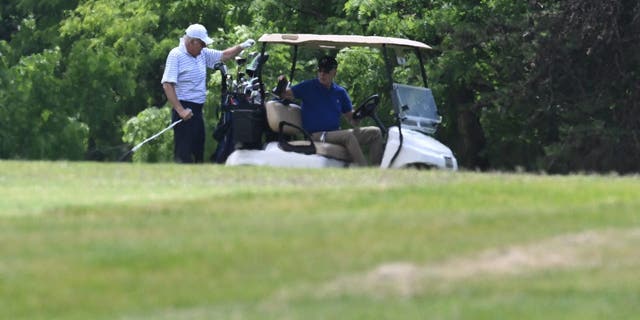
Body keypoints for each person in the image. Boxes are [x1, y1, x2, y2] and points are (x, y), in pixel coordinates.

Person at [161, 24, 255, 163]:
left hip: (197, 110)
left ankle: (198, 182)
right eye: (202, 43)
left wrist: (241, 46)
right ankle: (181, 182)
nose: (204, 46)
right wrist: (180, 110)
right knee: (184, 153)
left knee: (198, 149)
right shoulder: (176, 55)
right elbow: (168, 84)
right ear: (192, 41)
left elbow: (224, 55)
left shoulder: (201, 54)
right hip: (183, 109)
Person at [281, 56, 383, 166]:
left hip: (335, 134)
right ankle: (365, 172)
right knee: (348, 136)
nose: (322, 74)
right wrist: (282, 83)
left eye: (326, 71)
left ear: (334, 72)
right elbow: (285, 93)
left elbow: (352, 119)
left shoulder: (340, 92)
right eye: (320, 70)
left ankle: (376, 169)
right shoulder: (308, 86)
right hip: (317, 135)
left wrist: (362, 114)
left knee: (375, 132)